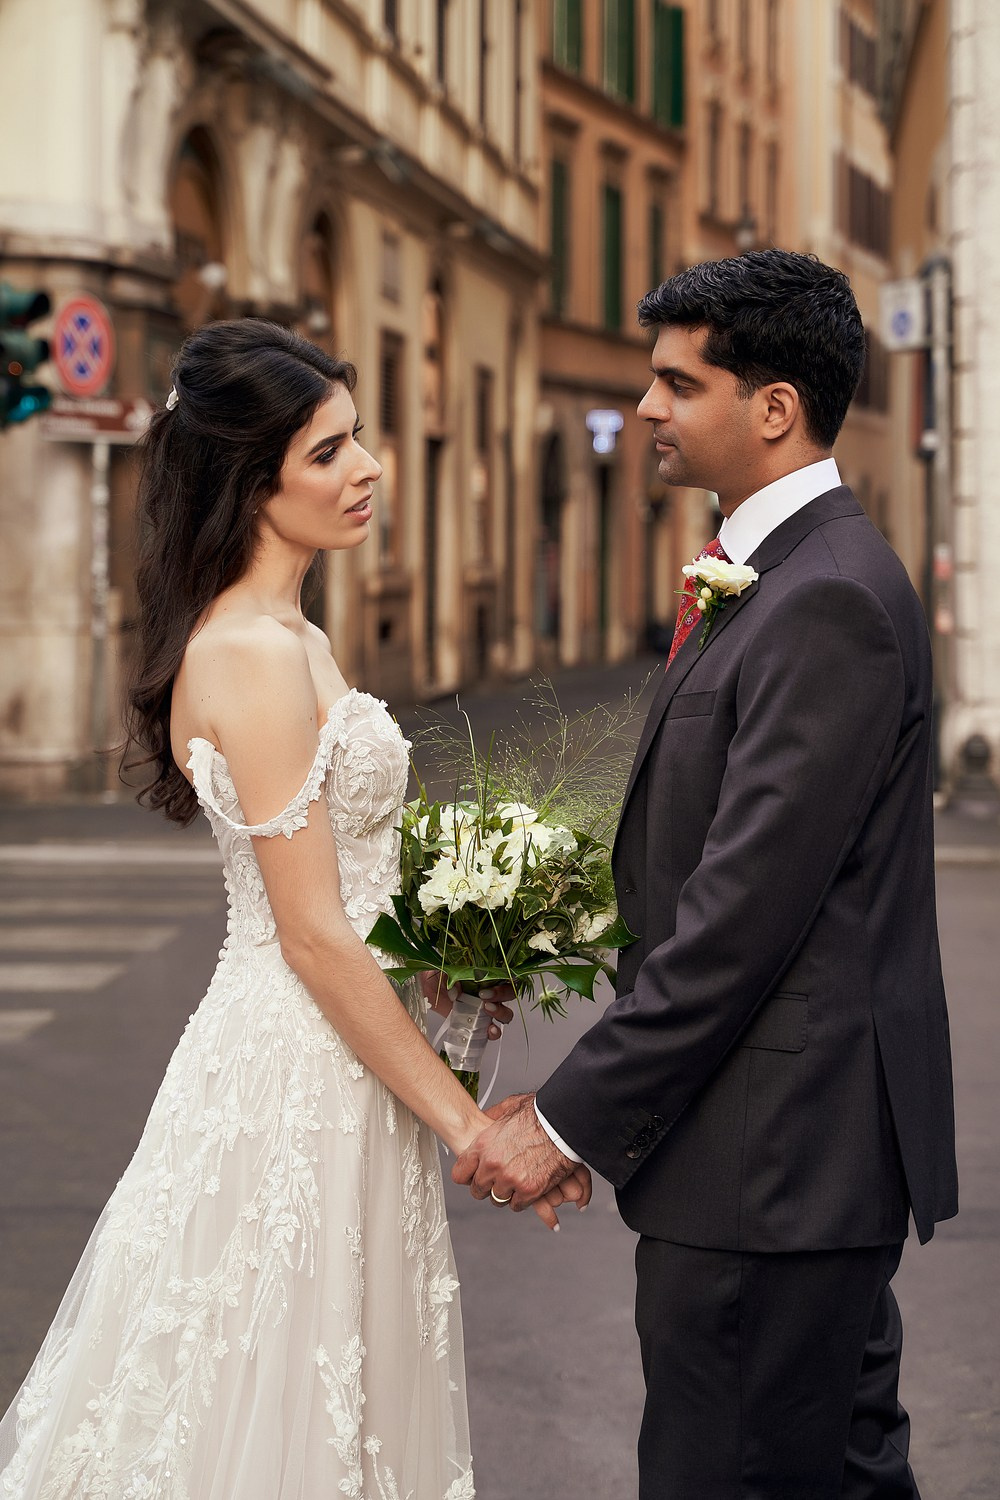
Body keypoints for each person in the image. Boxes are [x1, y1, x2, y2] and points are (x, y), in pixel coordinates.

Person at [0, 318, 589, 1500]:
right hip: (296, 1070)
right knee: (264, 1388)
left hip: (352, 1056)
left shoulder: (299, 636)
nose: (367, 467)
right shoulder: (253, 654)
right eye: (329, 451)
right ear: (250, 480)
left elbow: (350, 904)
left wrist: (451, 952)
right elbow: (312, 932)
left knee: (341, 1386)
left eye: (358, 439)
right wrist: (467, 1127)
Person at [454, 250, 959, 1498]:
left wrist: (565, 1119)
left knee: (725, 1475)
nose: (649, 411)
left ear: (773, 407)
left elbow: (743, 918)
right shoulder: (785, 577)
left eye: (678, 384)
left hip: (771, 1168)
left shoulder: (822, 597)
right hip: (782, 1167)